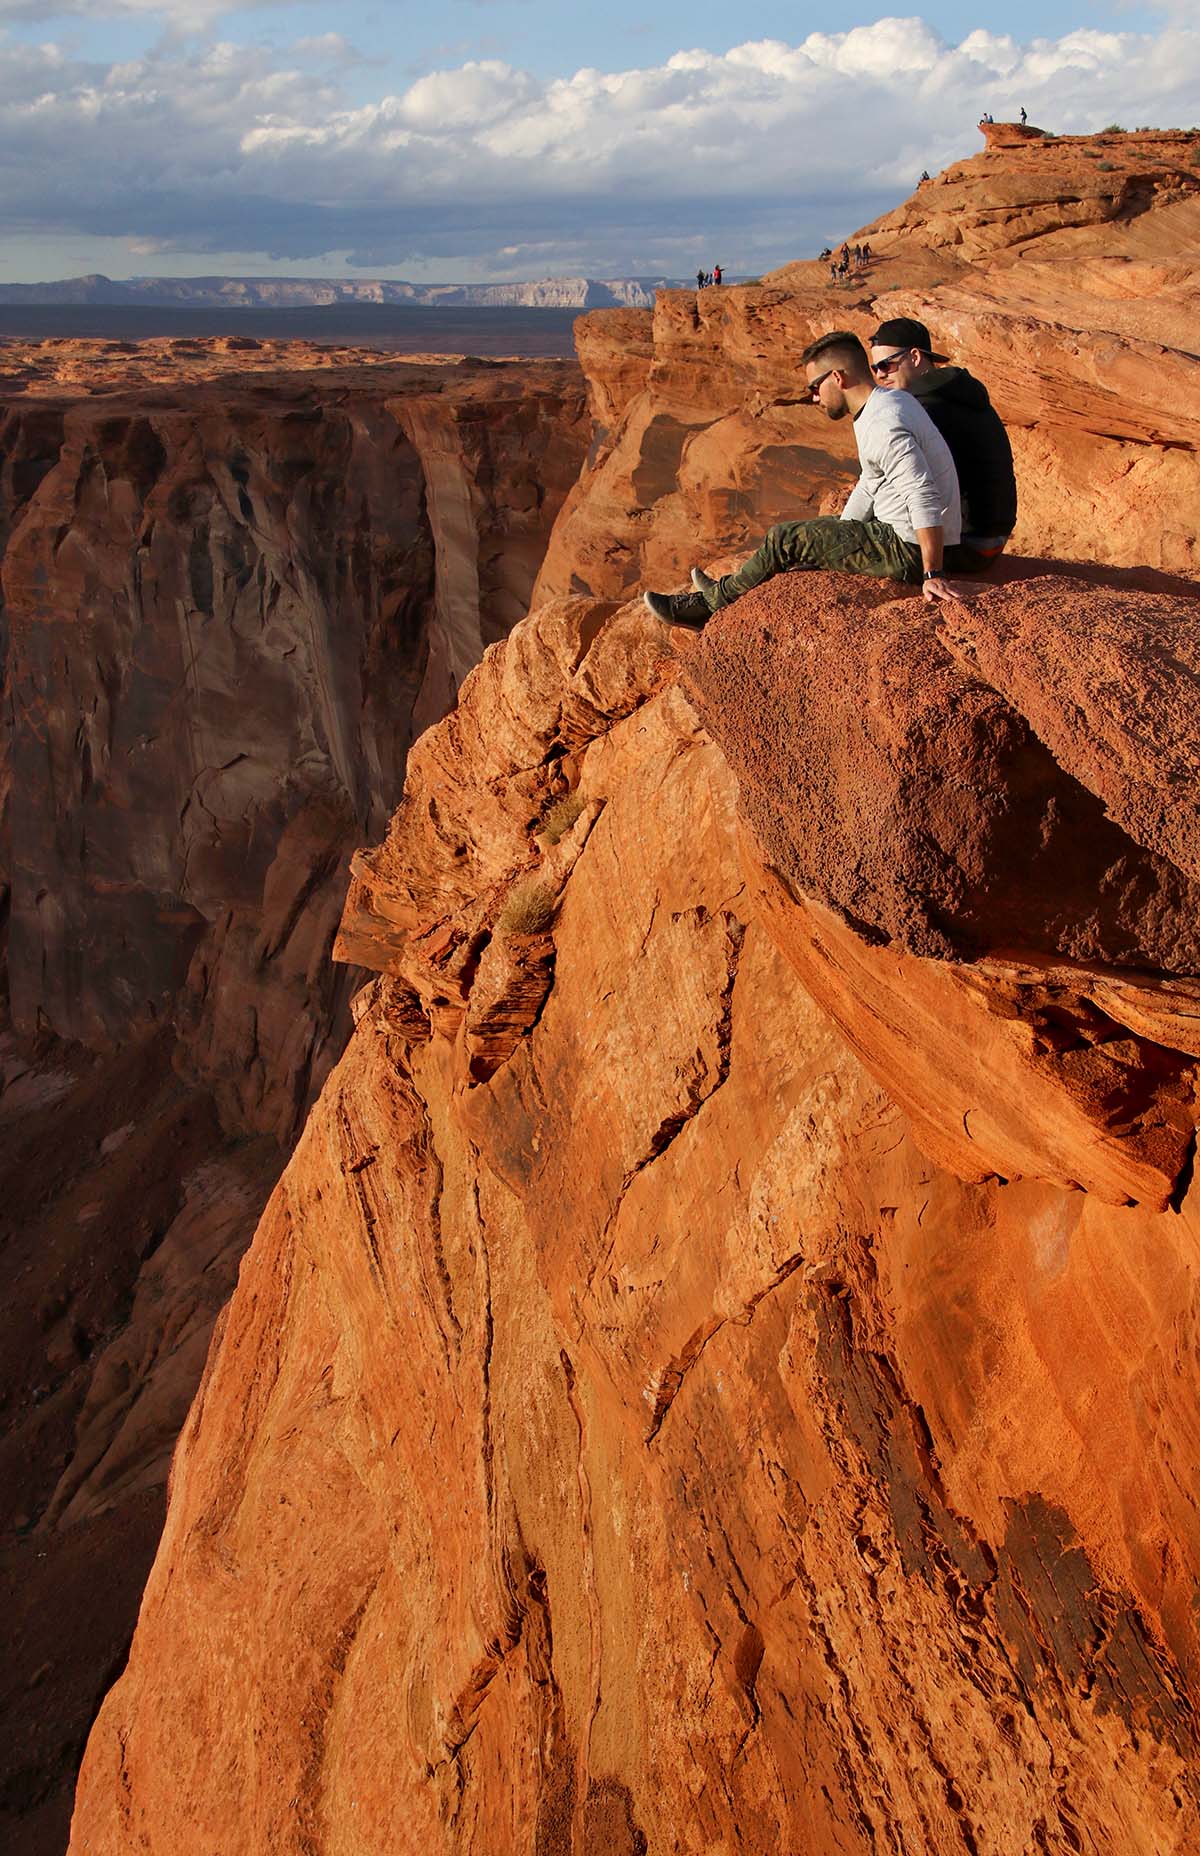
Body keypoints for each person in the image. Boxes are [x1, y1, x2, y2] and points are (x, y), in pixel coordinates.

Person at [642, 329, 970, 629]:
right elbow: (871, 481)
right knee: (810, 537)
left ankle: (709, 607)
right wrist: (841, 533)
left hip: (908, 549)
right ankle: (729, 590)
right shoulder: (885, 404)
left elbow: (921, 490)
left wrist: (932, 573)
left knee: (784, 539)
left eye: (815, 387)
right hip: (902, 537)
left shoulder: (884, 421)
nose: (814, 397)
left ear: (838, 377)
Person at [868, 317, 1016, 568]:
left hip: (964, 546)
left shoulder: (924, 408)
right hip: (992, 540)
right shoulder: (960, 391)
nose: (881, 375)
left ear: (915, 357)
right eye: (875, 368)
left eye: (887, 365)